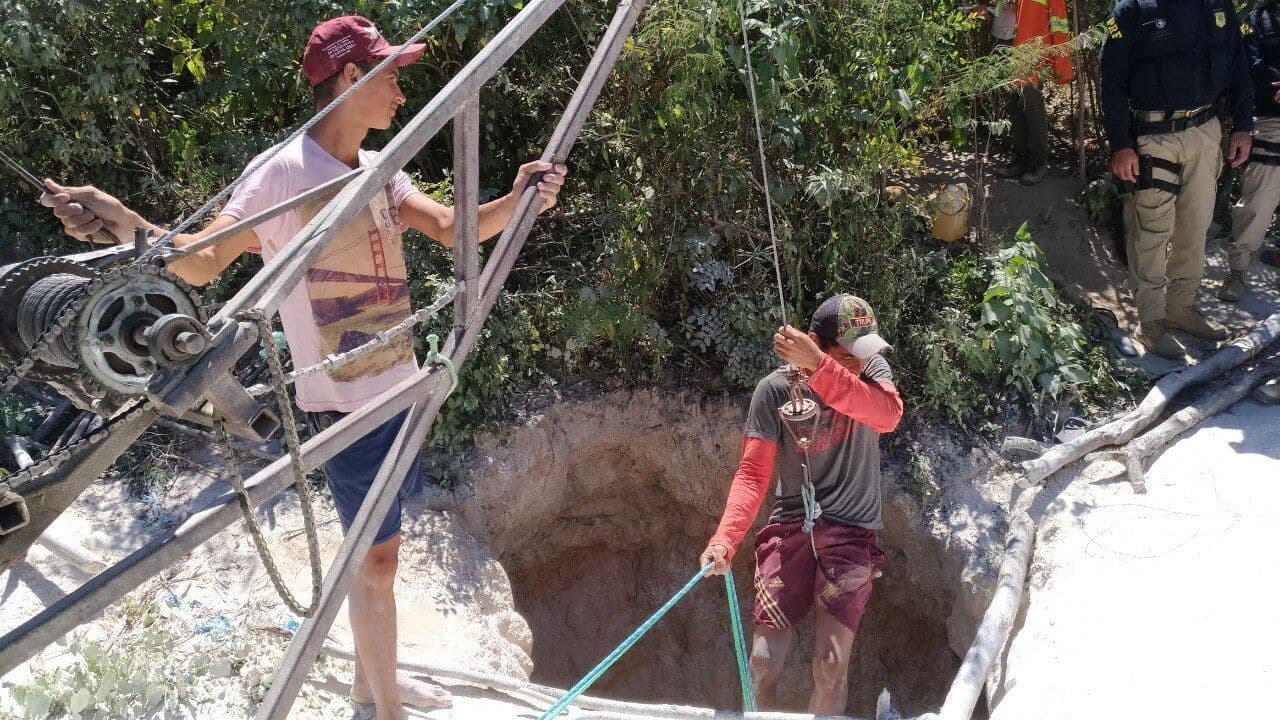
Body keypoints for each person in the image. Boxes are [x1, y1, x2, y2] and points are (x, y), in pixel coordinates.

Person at [39, 15, 567, 720]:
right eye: (392, 77)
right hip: (348, 406)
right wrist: (121, 218)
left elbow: (449, 228)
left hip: (398, 388)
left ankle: (368, 681)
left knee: (381, 554)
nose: (402, 97)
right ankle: (385, 709)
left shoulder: (380, 166)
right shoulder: (283, 173)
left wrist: (520, 194)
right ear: (352, 78)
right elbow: (201, 261)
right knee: (373, 562)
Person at [699, 295, 903, 714]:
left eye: (863, 353)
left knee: (830, 664)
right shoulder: (774, 390)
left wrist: (823, 366)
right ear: (814, 343)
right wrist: (725, 540)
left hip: (851, 532)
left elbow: (887, 416)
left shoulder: (873, 372)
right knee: (762, 661)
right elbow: (753, 474)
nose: (857, 364)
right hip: (792, 525)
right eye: (846, 355)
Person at [1099, 0, 1254, 359]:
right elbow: (1112, 81)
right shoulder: (1132, 9)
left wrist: (1243, 125)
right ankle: (1150, 320)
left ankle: (1180, 308)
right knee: (1152, 230)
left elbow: (1238, 65)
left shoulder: (1218, 6)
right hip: (1153, 136)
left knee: (1195, 226)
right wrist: (1121, 144)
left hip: (1205, 132)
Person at [1223, 1, 1280, 301]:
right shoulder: (1258, 18)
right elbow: (1247, 62)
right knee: (1258, 200)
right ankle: (1238, 270)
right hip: (1272, 119)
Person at [988, 0, 1074, 186]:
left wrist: (1058, 56)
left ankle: (1038, 162)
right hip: (1003, 37)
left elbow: (1056, 14)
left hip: (1030, 44)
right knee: (1013, 103)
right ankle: (1020, 158)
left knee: (1031, 102)